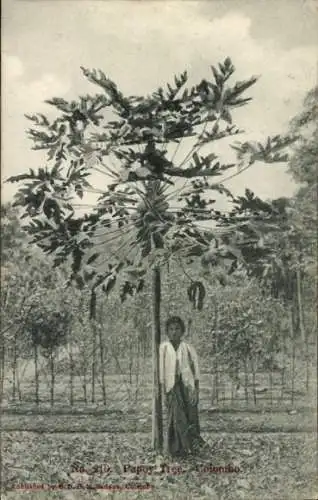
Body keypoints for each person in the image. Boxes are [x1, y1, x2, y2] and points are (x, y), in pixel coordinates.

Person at [159, 315, 205, 457]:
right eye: (171, 329)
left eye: (177, 329)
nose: (174, 332)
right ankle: (178, 449)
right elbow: (162, 372)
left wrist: (195, 391)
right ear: (167, 331)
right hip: (172, 387)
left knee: (191, 415)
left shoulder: (188, 348)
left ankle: (193, 446)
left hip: (187, 386)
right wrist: (163, 393)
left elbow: (196, 372)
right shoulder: (164, 348)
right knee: (177, 417)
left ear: (182, 331)